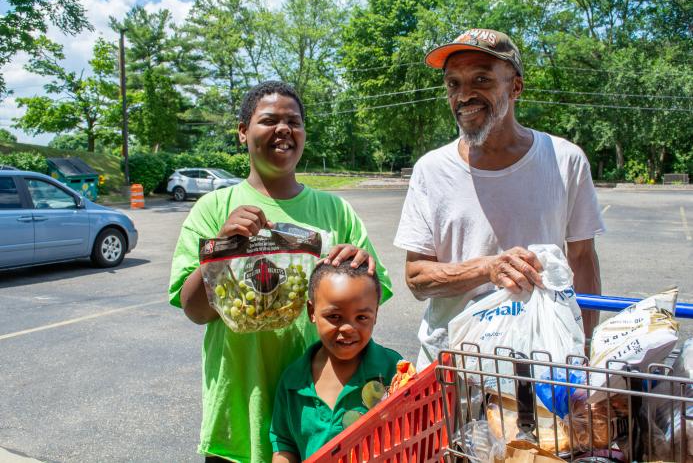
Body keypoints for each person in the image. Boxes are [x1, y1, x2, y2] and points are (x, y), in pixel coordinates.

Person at [169, 80, 392, 462]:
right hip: (238, 414)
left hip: (319, 422)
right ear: (243, 132)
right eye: (269, 120)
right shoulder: (213, 209)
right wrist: (222, 249)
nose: (284, 129)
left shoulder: (335, 212)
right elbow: (194, 310)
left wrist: (359, 265)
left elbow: (371, 299)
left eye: (294, 121)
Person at [394, 29, 605, 370]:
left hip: (541, 360)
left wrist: (584, 348)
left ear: (515, 87)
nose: (464, 96)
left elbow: (581, 260)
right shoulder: (431, 170)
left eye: (481, 79)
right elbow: (417, 278)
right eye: (453, 84)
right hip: (450, 365)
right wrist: (487, 268)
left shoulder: (565, 160)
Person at [269, 261, 402, 462]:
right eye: (335, 316)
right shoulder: (293, 381)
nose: (348, 328)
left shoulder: (394, 370)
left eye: (362, 317)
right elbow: (284, 443)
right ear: (311, 312)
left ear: (376, 314)